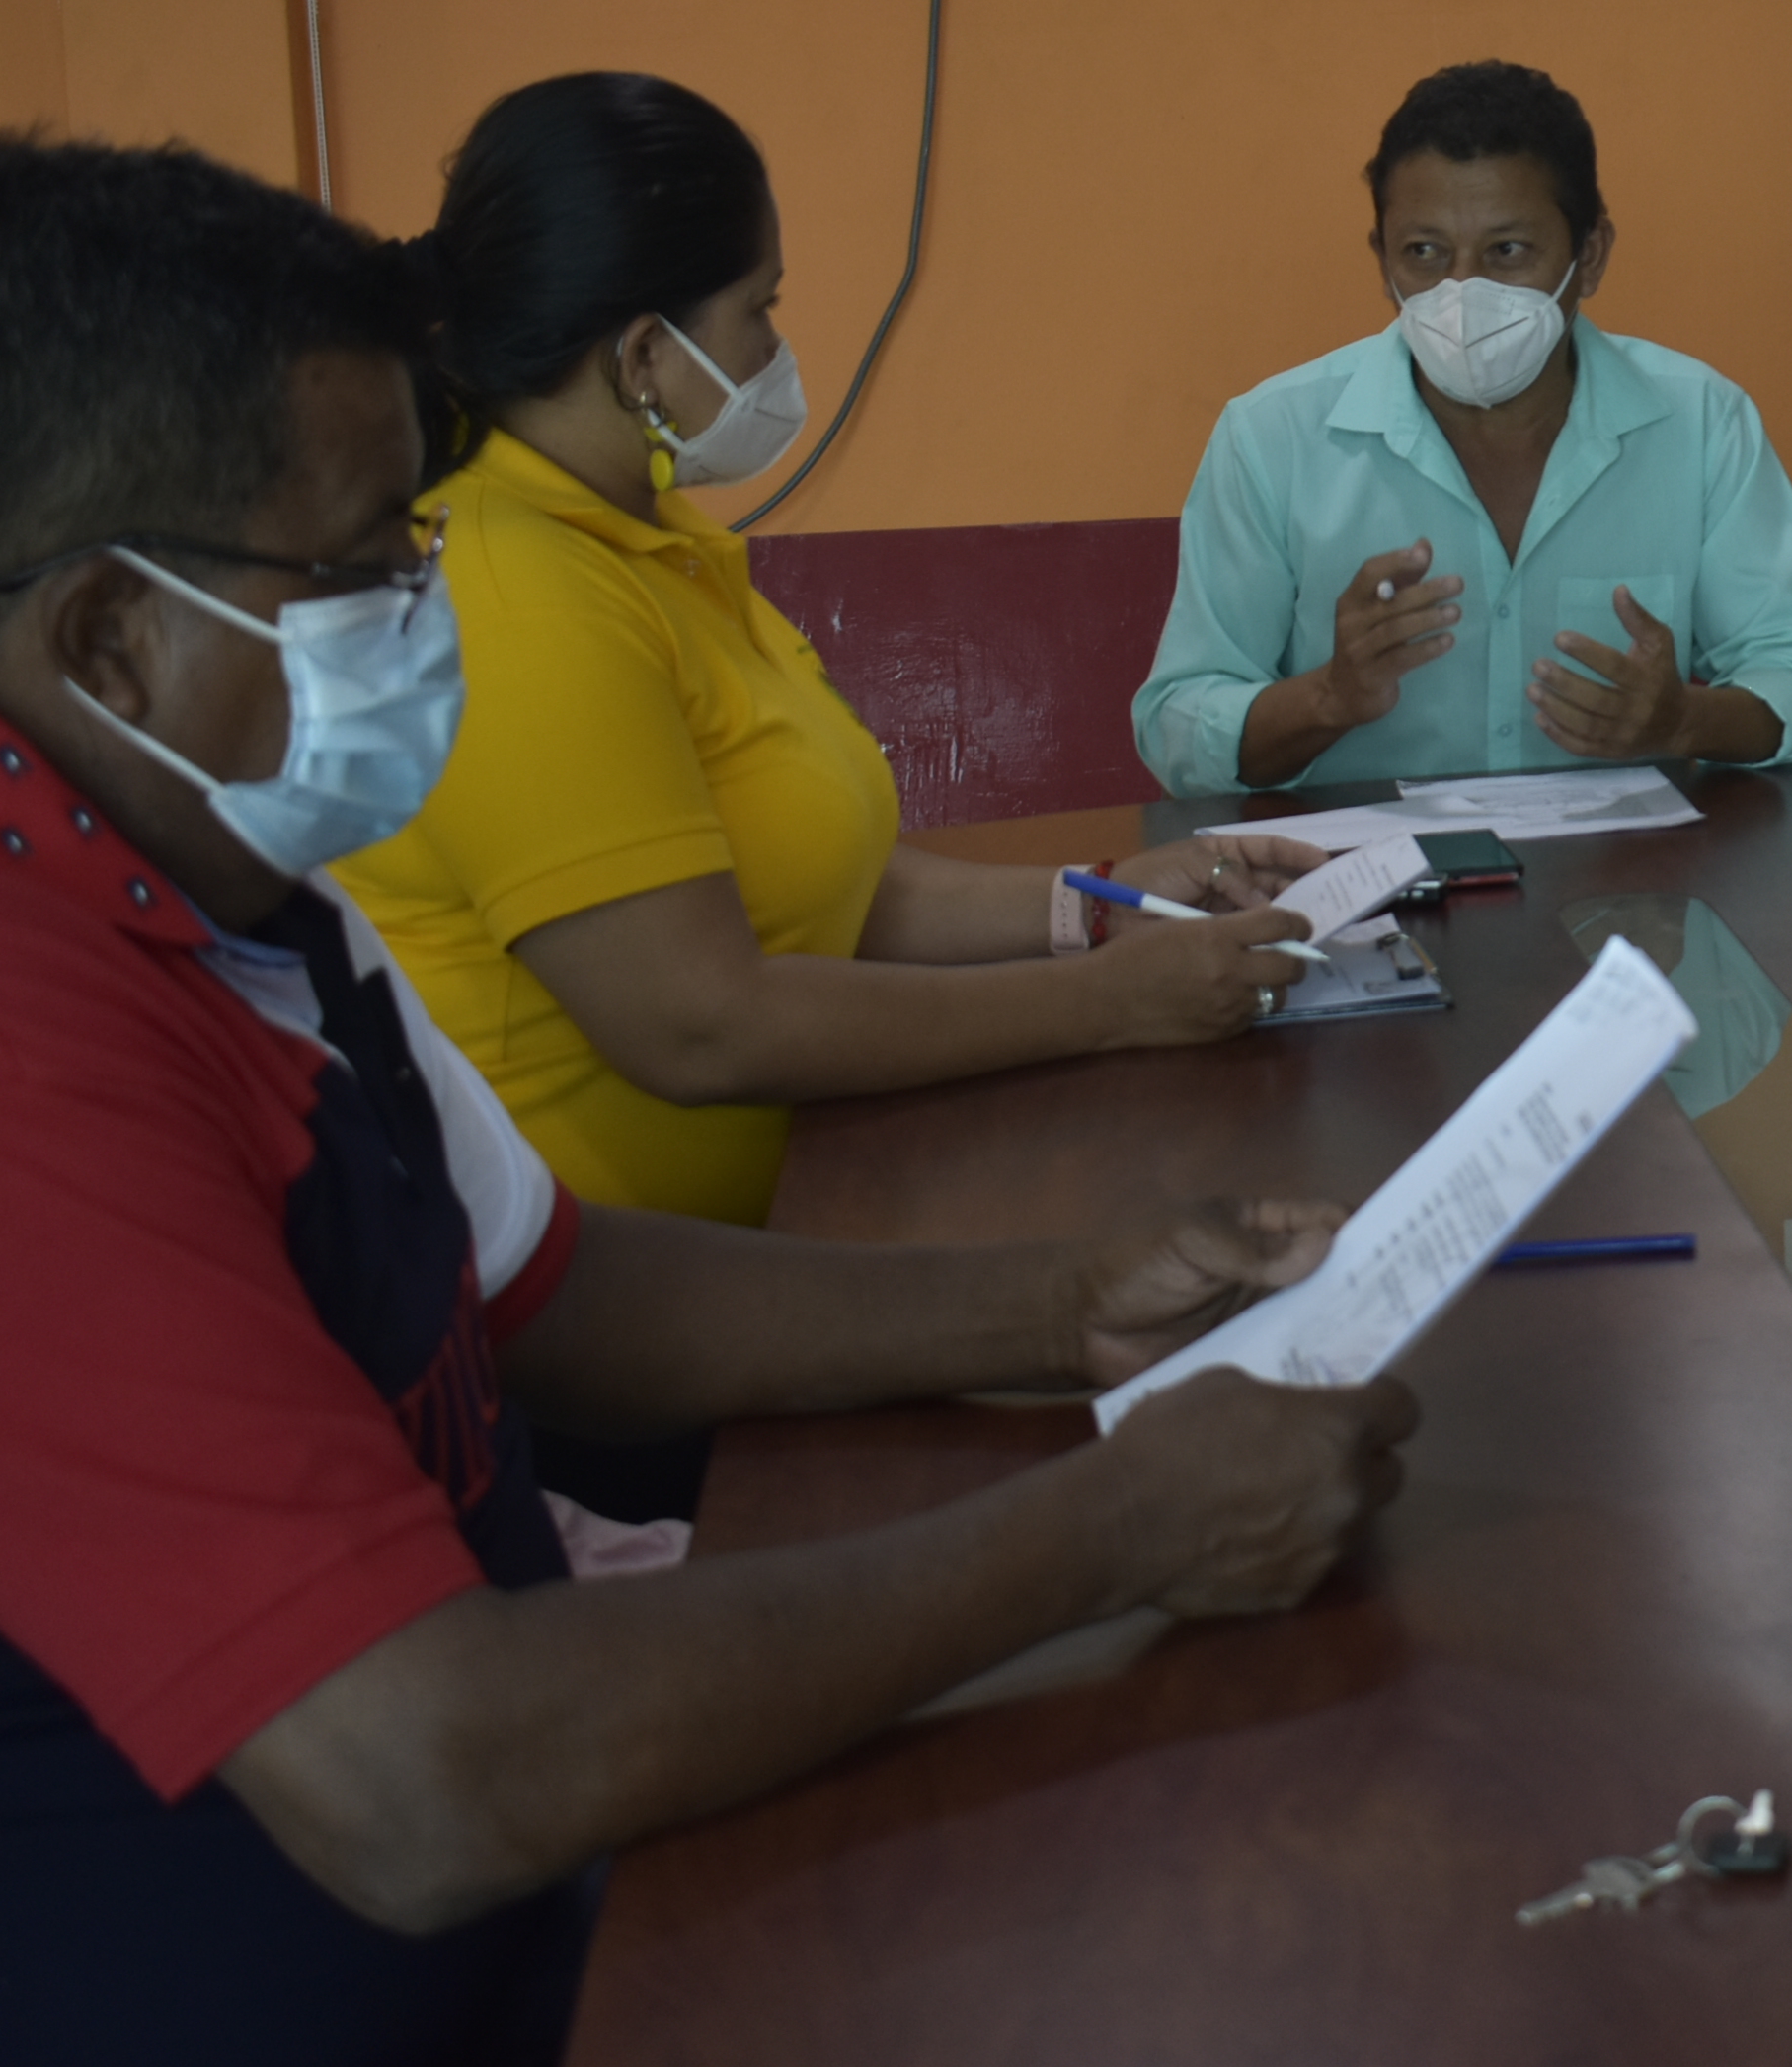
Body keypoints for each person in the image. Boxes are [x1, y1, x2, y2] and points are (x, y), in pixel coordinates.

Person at [0, 136, 1413, 2067]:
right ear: (107, 636)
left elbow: (551, 1288)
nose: (421, 612)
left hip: (542, 1913)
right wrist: (1122, 1527)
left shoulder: (214, 864)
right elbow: (430, 1775)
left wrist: (1067, 1302)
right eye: (364, 570)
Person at [341, 74, 1322, 1233]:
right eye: (759, 309)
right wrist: (1108, 1002)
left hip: (800, 1193)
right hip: (610, 1285)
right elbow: (699, 1027)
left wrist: (1106, 904)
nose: (775, 349)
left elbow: (833, 883)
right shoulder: (513, 595)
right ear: (645, 355)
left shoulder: (644, 539)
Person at [1134, 58, 1792, 797]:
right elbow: (1177, 727)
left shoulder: (1700, 421)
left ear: (1590, 256)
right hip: (1359, 868)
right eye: (1424, 252)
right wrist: (1328, 697)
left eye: (1507, 251)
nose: (1462, 292)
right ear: (1382, 259)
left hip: (1627, 863)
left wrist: (1685, 722)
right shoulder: (1272, 438)